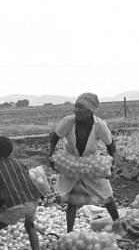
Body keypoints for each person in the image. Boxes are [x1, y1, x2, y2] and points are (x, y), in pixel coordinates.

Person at [48, 92, 120, 232]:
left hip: (90, 163)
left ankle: (119, 225)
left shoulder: (100, 125)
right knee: (73, 199)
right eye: (75, 106)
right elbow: (55, 137)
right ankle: (69, 232)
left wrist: (114, 165)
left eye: (81, 107)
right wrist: (50, 155)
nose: (76, 110)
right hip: (71, 163)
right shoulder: (68, 121)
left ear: (90, 110)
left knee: (107, 195)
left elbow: (110, 145)